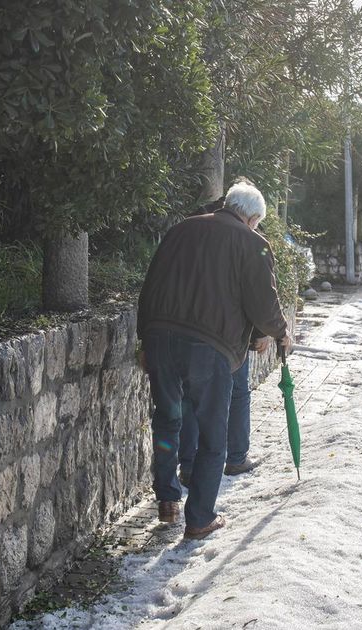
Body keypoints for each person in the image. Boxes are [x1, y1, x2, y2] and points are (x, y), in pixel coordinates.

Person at [137, 179, 293, 540]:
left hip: (160, 338)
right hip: (208, 348)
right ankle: (199, 518)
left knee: (168, 420)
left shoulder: (180, 229)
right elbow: (261, 302)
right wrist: (280, 331)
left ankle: (167, 498)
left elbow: (150, 285)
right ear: (253, 218)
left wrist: (144, 338)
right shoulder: (252, 242)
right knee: (212, 436)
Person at [177, 331, 272, 486]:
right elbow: (259, 305)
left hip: (194, 328)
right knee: (237, 393)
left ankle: (190, 466)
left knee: (191, 393)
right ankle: (236, 458)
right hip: (232, 332)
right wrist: (264, 331)